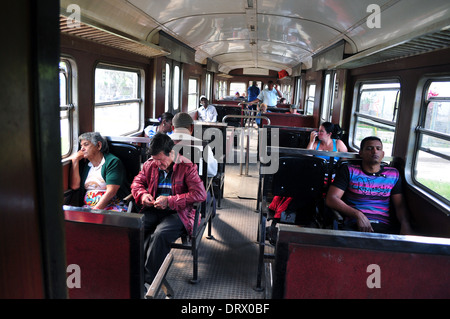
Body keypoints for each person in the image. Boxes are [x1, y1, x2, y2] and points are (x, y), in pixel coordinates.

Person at [131, 132, 207, 285]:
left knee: (160, 235)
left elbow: (200, 194)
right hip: (154, 208)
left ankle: (148, 281)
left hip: (179, 212)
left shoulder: (187, 167)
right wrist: (143, 195)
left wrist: (171, 201)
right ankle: (132, 271)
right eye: (154, 160)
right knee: (134, 229)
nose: (157, 164)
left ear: (172, 153)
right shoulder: (149, 165)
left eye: (160, 160)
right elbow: (136, 184)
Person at [326, 136, 413, 235]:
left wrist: (405, 225)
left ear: (383, 154)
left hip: (383, 226)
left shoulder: (393, 174)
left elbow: (399, 205)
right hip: (355, 224)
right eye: (369, 148)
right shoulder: (349, 170)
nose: (375, 151)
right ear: (361, 153)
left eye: (378, 149)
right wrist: (358, 214)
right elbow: (331, 199)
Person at [70, 132, 129, 211]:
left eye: (86, 144)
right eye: (81, 146)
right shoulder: (86, 165)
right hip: (89, 207)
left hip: (112, 206)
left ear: (98, 146)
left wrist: (95, 210)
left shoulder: (112, 162)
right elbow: (75, 186)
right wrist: (75, 161)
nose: (82, 149)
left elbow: (111, 191)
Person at [170, 112, 218, 178]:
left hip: (167, 184)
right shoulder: (202, 145)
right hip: (194, 185)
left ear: (172, 128)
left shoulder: (162, 142)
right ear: (192, 128)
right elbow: (212, 171)